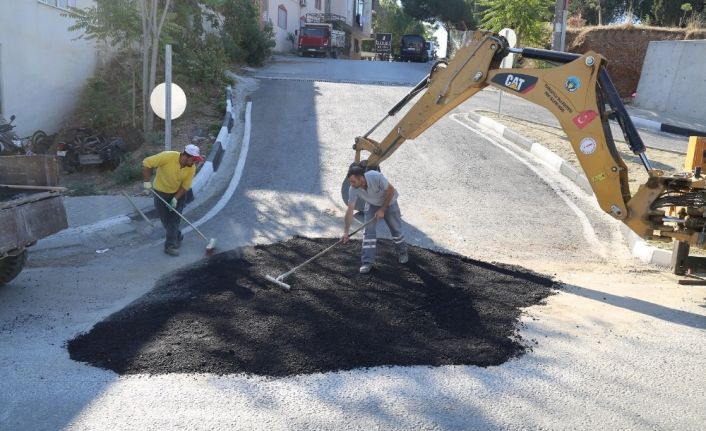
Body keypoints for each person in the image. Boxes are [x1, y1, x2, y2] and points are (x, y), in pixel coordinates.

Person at [343, 162, 408, 274]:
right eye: (350, 181)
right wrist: (346, 232)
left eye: (353, 181)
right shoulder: (353, 188)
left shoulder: (375, 176)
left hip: (390, 202)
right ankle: (367, 261)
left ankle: (402, 252)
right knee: (368, 232)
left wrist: (383, 209)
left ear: (362, 179)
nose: (351, 184)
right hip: (372, 204)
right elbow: (350, 210)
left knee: (395, 229)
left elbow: (391, 190)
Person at [142, 144, 204, 256]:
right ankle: (177, 235)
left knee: (174, 220)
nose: (194, 162)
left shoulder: (191, 168)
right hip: (160, 193)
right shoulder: (168, 157)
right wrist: (146, 181)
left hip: (178, 195)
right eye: (193, 159)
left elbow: (185, 186)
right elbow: (147, 162)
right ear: (185, 156)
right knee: (165, 221)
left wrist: (175, 199)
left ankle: (170, 245)